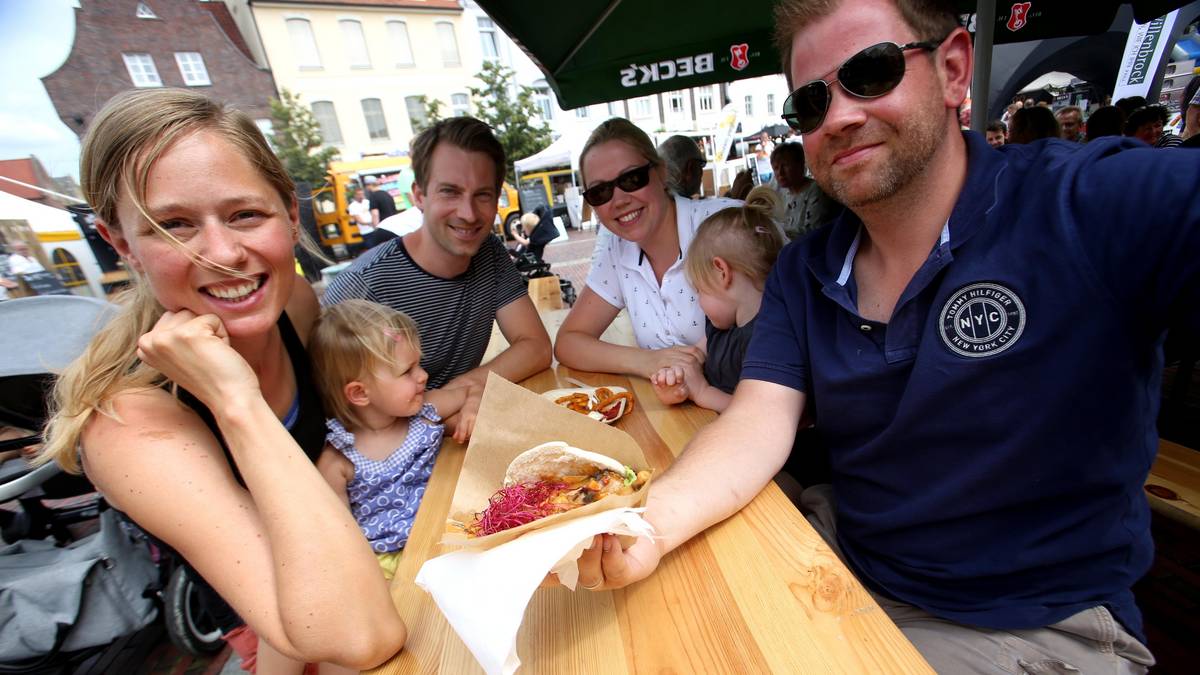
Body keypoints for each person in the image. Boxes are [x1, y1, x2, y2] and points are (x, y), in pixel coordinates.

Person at [575, 1, 1200, 673]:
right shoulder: (804, 271)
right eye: (811, 103)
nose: (839, 116)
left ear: (954, 69)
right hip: (849, 569)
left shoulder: (1084, 202)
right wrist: (648, 523)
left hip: (1037, 622)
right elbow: (756, 422)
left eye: (871, 73)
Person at [35, 88, 405, 672]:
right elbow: (355, 635)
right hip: (291, 630)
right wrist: (236, 401)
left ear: (289, 211)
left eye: (245, 215)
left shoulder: (296, 306)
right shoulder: (128, 424)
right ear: (122, 244)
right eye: (173, 225)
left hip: (365, 555)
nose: (222, 253)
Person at [322, 116, 551, 438]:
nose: (468, 214)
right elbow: (345, 420)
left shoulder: (489, 252)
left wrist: (463, 393)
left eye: (482, 195)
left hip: (460, 435)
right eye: (450, 192)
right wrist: (447, 408)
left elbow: (537, 347)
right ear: (419, 195)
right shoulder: (361, 289)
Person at [553, 118, 740, 379]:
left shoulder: (727, 225)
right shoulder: (619, 250)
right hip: (680, 413)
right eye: (599, 192)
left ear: (662, 172)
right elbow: (568, 342)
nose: (618, 200)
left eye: (632, 179)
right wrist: (648, 361)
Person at [310, 300, 473, 580]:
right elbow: (340, 539)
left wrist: (470, 410)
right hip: (390, 568)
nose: (423, 376)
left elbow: (472, 391)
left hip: (453, 535)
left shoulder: (425, 412)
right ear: (360, 393)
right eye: (407, 371)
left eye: (418, 365)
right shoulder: (338, 458)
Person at [649, 186, 785, 412]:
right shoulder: (720, 326)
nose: (699, 302)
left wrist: (702, 392)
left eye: (700, 290)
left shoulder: (770, 341)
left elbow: (760, 414)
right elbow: (694, 357)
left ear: (723, 273)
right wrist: (676, 382)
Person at [770, 142, 839, 239]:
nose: (780, 172)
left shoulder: (816, 190)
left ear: (800, 165)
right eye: (776, 168)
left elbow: (814, 231)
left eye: (785, 165)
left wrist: (776, 233)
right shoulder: (782, 193)